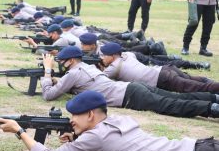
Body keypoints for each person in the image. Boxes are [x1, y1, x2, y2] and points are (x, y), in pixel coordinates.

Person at [0, 90, 219, 151]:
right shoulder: (122, 119)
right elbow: (109, 140)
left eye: (76, 115)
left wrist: (20, 131)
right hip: (201, 148)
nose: (72, 119)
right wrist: (77, 135)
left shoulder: (94, 138)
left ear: (91, 115)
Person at [40, 46, 219, 118]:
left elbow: (48, 95)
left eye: (61, 61)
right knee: (175, 97)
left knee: (171, 105)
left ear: (70, 61)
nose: (60, 64)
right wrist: (56, 79)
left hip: (130, 95)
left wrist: (47, 72)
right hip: (132, 88)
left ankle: (211, 109)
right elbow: (81, 85)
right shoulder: (86, 67)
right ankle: (213, 98)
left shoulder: (73, 74)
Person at [101, 42, 218, 93]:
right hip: (164, 69)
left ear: (112, 56)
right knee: (193, 80)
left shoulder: (113, 68)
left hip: (162, 78)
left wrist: (100, 67)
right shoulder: (128, 55)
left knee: (196, 88)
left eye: (104, 55)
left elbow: (100, 79)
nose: (102, 58)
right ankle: (211, 83)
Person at [79, 33, 210, 70]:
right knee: (161, 61)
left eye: (83, 45)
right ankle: (170, 56)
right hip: (131, 58)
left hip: (134, 58)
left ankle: (196, 64)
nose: (81, 46)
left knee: (164, 64)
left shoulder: (102, 51)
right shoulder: (93, 50)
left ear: (91, 45)